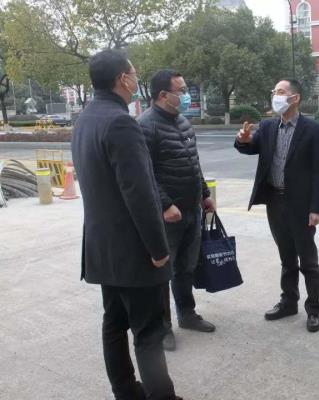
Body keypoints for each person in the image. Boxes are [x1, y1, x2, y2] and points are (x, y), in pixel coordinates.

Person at [71, 50, 181, 399]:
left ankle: (126, 391)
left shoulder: (85, 119)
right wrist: (159, 250)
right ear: (122, 79)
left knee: (114, 324)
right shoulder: (121, 123)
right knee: (148, 333)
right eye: (134, 73)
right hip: (134, 253)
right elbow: (140, 194)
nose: (136, 79)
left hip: (103, 249)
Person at [234, 78, 319, 332]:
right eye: (274, 91)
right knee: (286, 257)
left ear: (294, 98)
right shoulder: (267, 126)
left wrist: (316, 208)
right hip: (275, 201)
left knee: (308, 260)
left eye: (280, 91)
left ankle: (313, 309)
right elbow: (250, 147)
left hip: (301, 205)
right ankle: (289, 302)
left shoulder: (312, 129)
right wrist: (243, 139)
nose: (275, 95)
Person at [138, 69, 217, 352]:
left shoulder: (183, 122)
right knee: (163, 272)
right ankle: (162, 326)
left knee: (186, 266)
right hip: (167, 215)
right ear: (163, 95)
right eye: (181, 91)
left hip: (191, 210)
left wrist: (204, 194)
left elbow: (194, 163)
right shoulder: (146, 126)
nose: (186, 95)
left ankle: (187, 313)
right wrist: (165, 204)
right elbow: (144, 173)